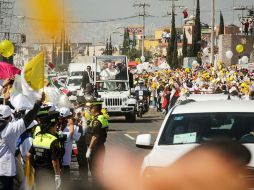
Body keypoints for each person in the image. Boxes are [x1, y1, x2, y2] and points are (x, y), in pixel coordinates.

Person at [0, 93, 45, 190]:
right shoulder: (10, 129)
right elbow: (27, 120)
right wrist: (38, 103)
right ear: (9, 118)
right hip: (5, 172)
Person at [29, 112, 63, 190]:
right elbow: (54, 160)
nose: (56, 128)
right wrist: (57, 176)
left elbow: (28, 155)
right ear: (51, 127)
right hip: (49, 172)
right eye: (55, 125)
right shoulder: (53, 140)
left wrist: (35, 166)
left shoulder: (37, 137)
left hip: (38, 172)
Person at [58, 107, 81, 189]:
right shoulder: (72, 128)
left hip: (55, 161)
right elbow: (78, 137)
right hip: (64, 163)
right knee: (65, 184)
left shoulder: (53, 128)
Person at [85, 101, 108, 179]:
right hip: (99, 147)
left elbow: (95, 136)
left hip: (95, 148)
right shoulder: (101, 118)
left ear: (94, 109)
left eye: (91, 108)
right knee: (98, 170)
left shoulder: (96, 121)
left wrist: (89, 149)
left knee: (95, 171)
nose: (90, 110)